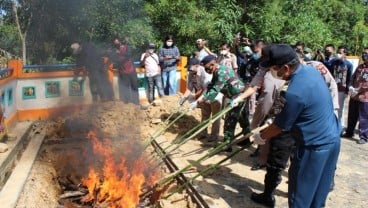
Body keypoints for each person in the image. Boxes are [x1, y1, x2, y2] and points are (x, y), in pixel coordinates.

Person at [238, 44, 340, 207]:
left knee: (299, 197)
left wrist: (261, 137)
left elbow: (280, 126)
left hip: (313, 148)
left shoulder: (295, 91)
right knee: (317, 198)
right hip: (332, 141)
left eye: (273, 69)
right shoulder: (311, 73)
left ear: (285, 68)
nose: (272, 73)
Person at [190, 55, 250, 152]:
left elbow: (215, 90)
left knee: (229, 120)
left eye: (206, 68)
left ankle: (227, 144)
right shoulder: (217, 72)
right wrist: (198, 101)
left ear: (212, 64)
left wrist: (201, 101)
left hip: (238, 96)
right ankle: (246, 138)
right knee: (242, 118)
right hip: (234, 96)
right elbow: (210, 86)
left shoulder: (222, 71)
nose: (206, 70)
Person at [180, 58, 222, 142]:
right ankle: (203, 133)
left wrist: (197, 99)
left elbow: (206, 88)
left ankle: (214, 137)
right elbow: (189, 88)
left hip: (213, 96)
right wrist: (184, 98)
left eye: (190, 67)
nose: (188, 69)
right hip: (202, 98)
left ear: (196, 66)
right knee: (205, 115)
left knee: (215, 117)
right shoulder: (190, 74)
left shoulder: (205, 72)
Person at [329, 46, 353, 128]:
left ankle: (340, 126)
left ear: (345, 53)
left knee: (340, 108)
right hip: (333, 88)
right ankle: (332, 125)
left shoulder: (348, 64)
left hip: (342, 89)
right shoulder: (334, 62)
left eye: (340, 52)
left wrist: (347, 90)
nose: (338, 54)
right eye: (338, 52)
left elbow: (349, 79)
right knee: (332, 107)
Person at [348, 47, 368, 144]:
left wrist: (358, 90)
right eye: (363, 53)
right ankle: (349, 132)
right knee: (352, 115)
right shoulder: (360, 67)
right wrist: (351, 86)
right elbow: (353, 77)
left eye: (366, 54)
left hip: (364, 97)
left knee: (363, 118)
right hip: (354, 95)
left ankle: (363, 136)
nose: (364, 55)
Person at [111, 37, 139, 104]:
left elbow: (128, 55)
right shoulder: (115, 51)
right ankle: (127, 103)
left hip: (131, 70)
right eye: (115, 43)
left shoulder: (127, 48)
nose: (117, 44)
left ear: (120, 42)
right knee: (125, 88)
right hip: (123, 72)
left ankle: (136, 102)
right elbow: (115, 61)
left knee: (134, 87)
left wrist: (120, 53)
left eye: (117, 43)